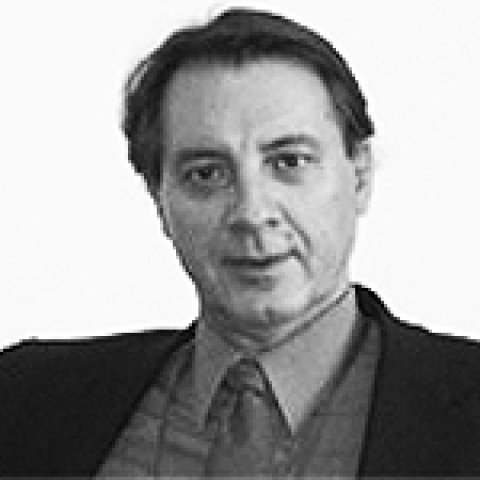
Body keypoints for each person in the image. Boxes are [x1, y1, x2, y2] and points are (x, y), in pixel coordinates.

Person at [1, 7, 480, 477]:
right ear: (158, 198)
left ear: (360, 176)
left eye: (289, 162)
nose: (252, 213)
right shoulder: (25, 401)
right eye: (206, 174)